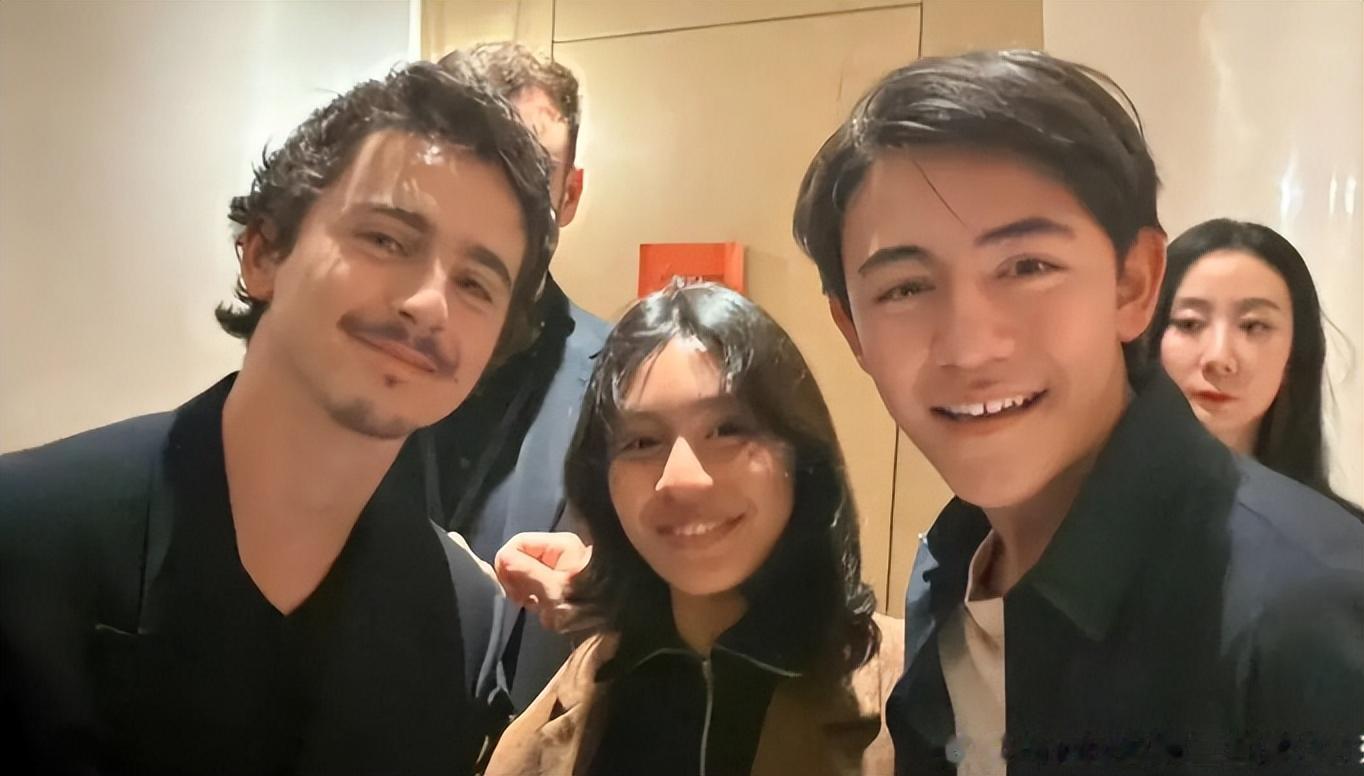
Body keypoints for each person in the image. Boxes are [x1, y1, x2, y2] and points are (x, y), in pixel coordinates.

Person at [792, 50, 1364, 773]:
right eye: (905, 288)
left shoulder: (1308, 606)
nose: (970, 346)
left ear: (1134, 285)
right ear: (852, 330)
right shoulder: (950, 567)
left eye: (1027, 267)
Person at [0, 62, 556, 775]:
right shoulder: (24, 534)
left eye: (475, 283)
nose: (429, 305)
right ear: (264, 252)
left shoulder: (464, 615)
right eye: (387, 240)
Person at [486, 281, 905, 776]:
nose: (681, 480)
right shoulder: (563, 712)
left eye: (728, 430)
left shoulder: (916, 693)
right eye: (642, 442)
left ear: (801, 458)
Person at [373, 41, 608, 712]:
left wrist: (618, 596)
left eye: (529, 171)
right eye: (469, 165)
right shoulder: (357, 355)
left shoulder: (629, 381)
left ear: (570, 194)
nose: (498, 200)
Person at [1149, 217, 1362, 518]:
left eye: (1253, 326)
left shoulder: (1338, 538)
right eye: (1189, 323)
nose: (1219, 358)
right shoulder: (1088, 512)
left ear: (1294, 355)